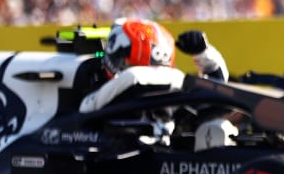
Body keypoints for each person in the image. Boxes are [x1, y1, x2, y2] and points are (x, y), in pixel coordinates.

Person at [79, 18, 229, 113]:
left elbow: (220, 97)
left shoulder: (173, 90)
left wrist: (204, 53)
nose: (157, 77)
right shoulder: (96, 91)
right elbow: (132, 79)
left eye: (159, 68)